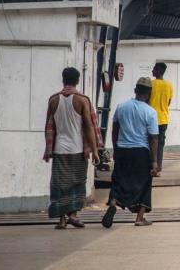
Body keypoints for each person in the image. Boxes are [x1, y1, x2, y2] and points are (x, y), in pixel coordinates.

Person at [43, 67, 98, 229]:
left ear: (63, 79)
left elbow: (48, 126)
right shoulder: (82, 100)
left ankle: (61, 219)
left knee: (59, 184)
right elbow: (89, 127)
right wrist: (95, 150)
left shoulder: (53, 100)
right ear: (78, 80)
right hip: (78, 149)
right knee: (77, 183)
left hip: (60, 148)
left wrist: (48, 149)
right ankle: (73, 215)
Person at [102, 78, 159, 228]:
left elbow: (115, 130)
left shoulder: (121, 107)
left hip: (122, 150)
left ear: (135, 90)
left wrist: (115, 148)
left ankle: (113, 203)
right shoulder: (150, 112)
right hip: (141, 152)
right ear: (149, 93)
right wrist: (154, 162)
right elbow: (153, 138)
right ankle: (140, 217)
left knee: (118, 179)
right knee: (144, 182)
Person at [148, 62, 174, 175]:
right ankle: (158, 167)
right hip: (163, 119)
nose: (152, 71)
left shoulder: (150, 84)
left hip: (151, 119)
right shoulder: (169, 85)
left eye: (154, 69)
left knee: (149, 143)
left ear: (158, 71)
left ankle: (150, 166)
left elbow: (145, 99)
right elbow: (168, 102)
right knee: (160, 145)